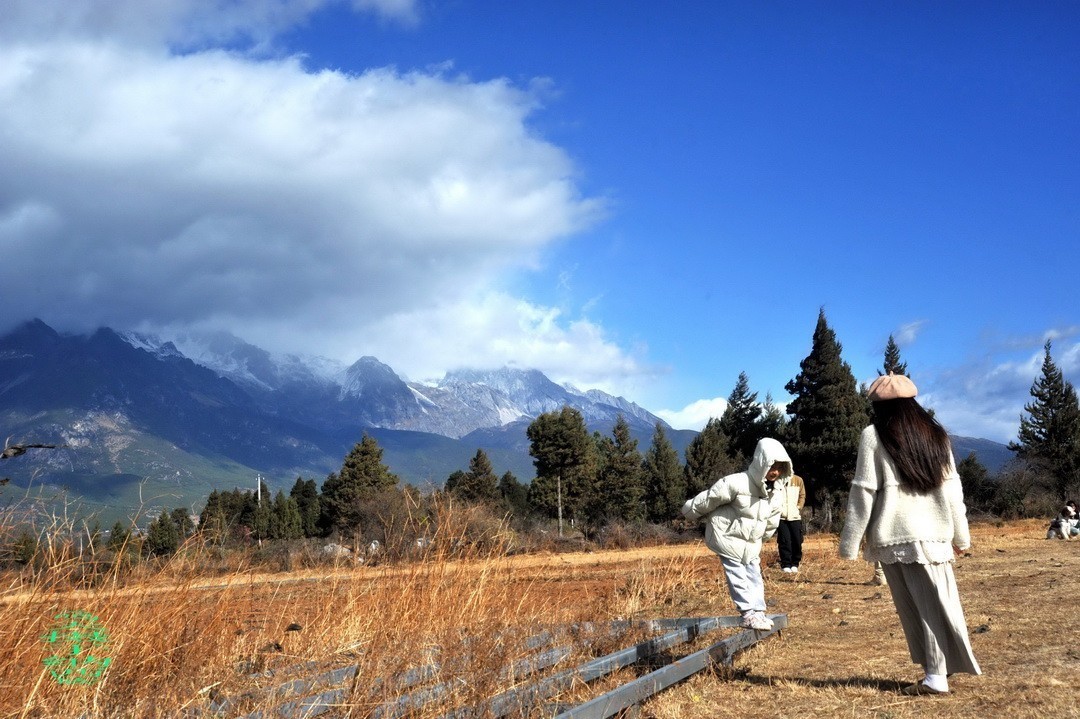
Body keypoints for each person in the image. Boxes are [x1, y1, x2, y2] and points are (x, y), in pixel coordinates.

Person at [839, 373, 981, 696]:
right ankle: (937, 672)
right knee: (936, 606)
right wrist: (962, 537)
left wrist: (849, 544)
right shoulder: (936, 436)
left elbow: (863, 493)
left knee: (918, 610)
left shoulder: (873, 436)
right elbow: (953, 492)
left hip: (895, 538)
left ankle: (935, 677)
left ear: (878, 405)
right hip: (934, 537)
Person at [682, 437, 792, 631]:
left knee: (754, 575)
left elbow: (772, 521)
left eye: (780, 467)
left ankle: (758, 612)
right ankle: (748, 614)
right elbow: (711, 497)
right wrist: (691, 511)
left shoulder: (777, 492)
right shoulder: (737, 482)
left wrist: (760, 539)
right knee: (737, 574)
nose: (775, 471)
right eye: (771, 465)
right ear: (761, 462)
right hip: (726, 536)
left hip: (750, 542)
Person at [777, 473, 806, 573]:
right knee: (784, 541)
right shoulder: (777, 480)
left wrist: (798, 507)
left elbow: (802, 495)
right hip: (781, 517)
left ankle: (795, 563)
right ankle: (785, 564)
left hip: (795, 517)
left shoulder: (798, 480)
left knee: (797, 541)